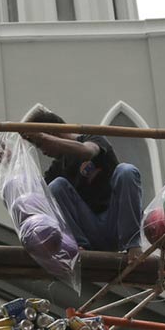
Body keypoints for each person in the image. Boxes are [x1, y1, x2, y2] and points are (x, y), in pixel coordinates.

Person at [22, 107, 143, 257]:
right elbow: (35, 195)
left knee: (126, 171)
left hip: (117, 224)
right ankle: (81, 248)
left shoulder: (92, 138)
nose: (43, 152)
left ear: (52, 134)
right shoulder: (58, 168)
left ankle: (133, 245)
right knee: (55, 187)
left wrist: (45, 138)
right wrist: (10, 164)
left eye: (40, 145)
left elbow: (88, 151)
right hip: (91, 231)